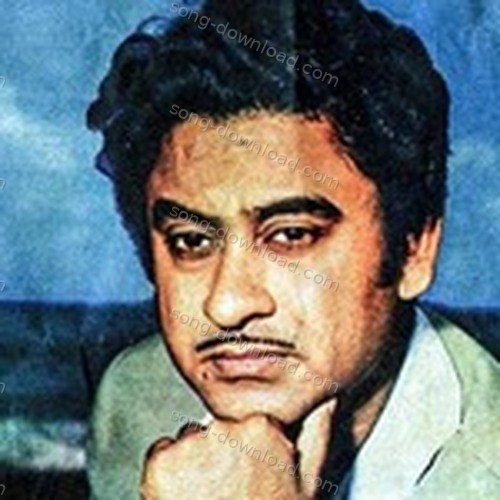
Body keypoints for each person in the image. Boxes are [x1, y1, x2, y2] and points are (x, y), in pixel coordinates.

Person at [86, 1, 500, 498]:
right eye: (191, 241)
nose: (227, 305)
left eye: (291, 235)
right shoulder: (136, 397)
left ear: (415, 250)